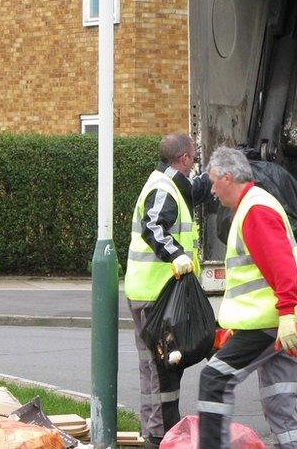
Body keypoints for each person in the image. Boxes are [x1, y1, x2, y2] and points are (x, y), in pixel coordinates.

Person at [198, 147, 297, 449]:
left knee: (214, 379)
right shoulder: (256, 205)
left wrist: (287, 314)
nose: (212, 190)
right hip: (277, 322)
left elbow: (281, 266)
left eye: (214, 182)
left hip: (270, 320)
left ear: (227, 177)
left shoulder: (254, 210)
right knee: (280, 401)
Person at [125, 132, 211, 449]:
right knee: (164, 367)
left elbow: (192, 192)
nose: (194, 163)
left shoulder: (167, 183)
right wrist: (177, 255)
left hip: (147, 290)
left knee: (153, 366)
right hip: (157, 293)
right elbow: (154, 226)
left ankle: (155, 430)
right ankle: (164, 432)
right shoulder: (163, 189)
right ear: (185, 158)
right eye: (193, 157)